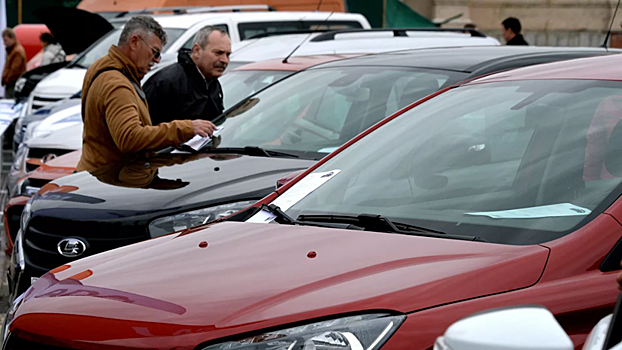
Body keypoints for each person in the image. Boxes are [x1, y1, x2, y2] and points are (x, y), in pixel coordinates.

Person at [77, 16, 216, 172]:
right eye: (155, 52)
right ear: (134, 42)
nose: (157, 60)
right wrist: (187, 128)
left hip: (98, 174)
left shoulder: (103, 66)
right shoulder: (117, 83)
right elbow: (130, 138)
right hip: (110, 180)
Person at [144, 26, 231, 126]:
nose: (224, 60)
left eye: (228, 54)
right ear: (197, 50)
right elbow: (147, 133)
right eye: (218, 53)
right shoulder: (165, 83)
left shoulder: (212, 82)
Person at [1, 28, 26, 99]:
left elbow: (14, 70)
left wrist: (6, 79)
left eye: (5, 40)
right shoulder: (13, 51)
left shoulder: (16, 52)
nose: (4, 43)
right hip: (13, 83)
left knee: (10, 101)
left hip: (13, 84)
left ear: (12, 38)